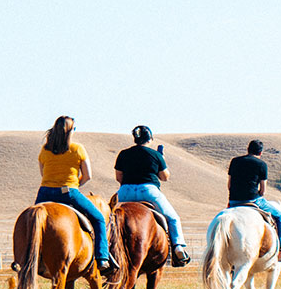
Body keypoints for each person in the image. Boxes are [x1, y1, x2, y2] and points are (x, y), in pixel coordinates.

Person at [36, 115, 118, 278]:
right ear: (71, 130)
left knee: (34, 223)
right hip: (68, 193)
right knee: (98, 219)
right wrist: (74, 185)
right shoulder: (77, 149)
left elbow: (43, 173)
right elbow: (88, 176)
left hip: (44, 192)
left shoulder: (45, 150)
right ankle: (102, 258)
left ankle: (26, 258)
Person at [113, 126, 189, 268]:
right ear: (150, 139)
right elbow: (165, 177)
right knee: (173, 218)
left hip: (125, 191)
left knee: (110, 219)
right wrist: (161, 160)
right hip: (148, 191)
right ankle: (178, 247)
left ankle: (106, 250)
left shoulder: (123, 154)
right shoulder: (155, 155)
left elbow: (119, 177)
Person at [227, 139, 281, 267]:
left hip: (233, 201)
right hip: (253, 200)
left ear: (248, 149)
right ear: (261, 152)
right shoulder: (261, 164)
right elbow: (263, 191)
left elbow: (229, 185)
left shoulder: (235, 161)